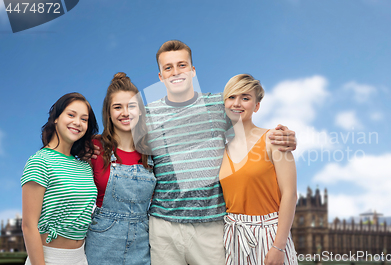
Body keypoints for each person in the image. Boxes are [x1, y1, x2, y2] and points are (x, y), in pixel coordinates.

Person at [140, 40, 297, 265]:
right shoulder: (147, 115)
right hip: (164, 226)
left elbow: (248, 125)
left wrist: (288, 137)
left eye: (182, 65)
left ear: (193, 71)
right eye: (168, 67)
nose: (176, 72)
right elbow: (120, 143)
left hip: (211, 226)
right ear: (160, 76)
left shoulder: (219, 105)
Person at [220, 74, 298, 265]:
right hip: (233, 236)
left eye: (245, 98)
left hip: (270, 234)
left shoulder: (274, 139)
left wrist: (279, 247)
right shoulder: (220, 147)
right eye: (231, 97)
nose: (237, 103)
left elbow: (290, 194)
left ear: (256, 106)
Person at [85, 73, 156, 265]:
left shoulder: (152, 151)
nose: (125, 113)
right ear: (108, 112)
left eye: (131, 106)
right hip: (100, 243)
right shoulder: (93, 147)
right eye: (117, 107)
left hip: (142, 243)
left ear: (140, 110)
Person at [21, 93, 99, 265]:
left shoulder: (85, 166)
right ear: (56, 118)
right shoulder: (40, 161)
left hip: (81, 258)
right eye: (71, 115)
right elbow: (28, 226)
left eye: (84, 119)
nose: (77, 122)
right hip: (48, 258)